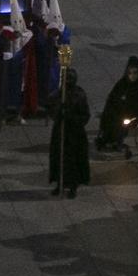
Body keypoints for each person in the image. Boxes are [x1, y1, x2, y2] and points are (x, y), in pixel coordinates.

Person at [47, 70, 91, 199]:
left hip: (74, 134)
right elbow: (51, 106)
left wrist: (71, 116)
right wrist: (59, 111)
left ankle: (73, 185)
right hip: (60, 131)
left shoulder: (79, 95)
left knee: (73, 160)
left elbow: (85, 115)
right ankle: (60, 183)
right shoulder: (59, 94)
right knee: (59, 157)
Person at [96, 56, 138, 156]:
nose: (132, 76)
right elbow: (112, 100)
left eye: (135, 73)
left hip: (135, 116)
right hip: (121, 115)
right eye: (130, 73)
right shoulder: (121, 84)